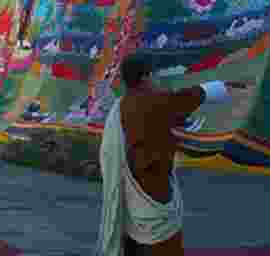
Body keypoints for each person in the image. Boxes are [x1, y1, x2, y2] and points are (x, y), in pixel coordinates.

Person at [96, 54, 230, 256]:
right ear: (145, 78)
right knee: (165, 246)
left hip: (130, 193)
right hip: (152, 192)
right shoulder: (150, 101)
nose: (156, 80)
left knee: (132, 244)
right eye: (154, 75)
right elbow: (181, 100)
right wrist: (220, 87)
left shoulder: (122, 105)